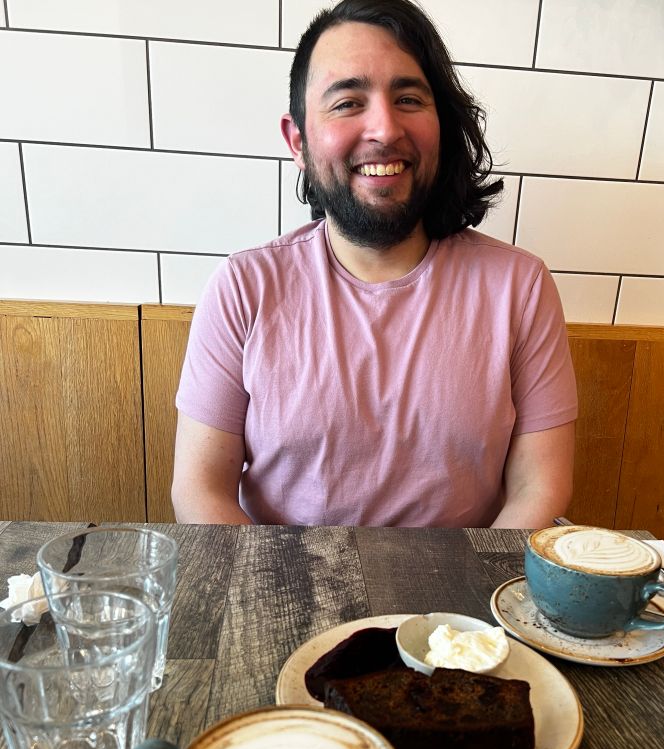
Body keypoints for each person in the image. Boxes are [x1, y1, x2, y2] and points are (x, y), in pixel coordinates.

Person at [172, 0, 577, 527]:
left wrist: (456, 611)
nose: (385, 129)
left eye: (409, 98)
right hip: (286, 595)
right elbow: (200, 492)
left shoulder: (520, 287)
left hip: (457, 604)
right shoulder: (244, 286)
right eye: (347, 103)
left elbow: (539, 488)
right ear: (298, 141)